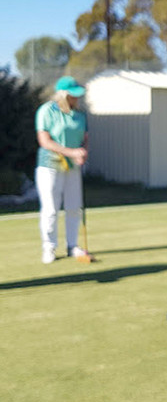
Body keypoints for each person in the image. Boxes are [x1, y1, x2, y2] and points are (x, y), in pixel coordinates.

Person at [35, 76, 89, 264]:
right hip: (49, 165)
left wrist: (82, 152)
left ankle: (72, 246)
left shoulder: (81, 114)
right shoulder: (46, 111)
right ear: (63, 95)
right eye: (73, 95)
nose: (77, 99)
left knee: (74, 207)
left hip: (73, 167)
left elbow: (84, 138)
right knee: (50, 208)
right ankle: (49, 247)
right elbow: (45, 141)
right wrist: (71, 152)